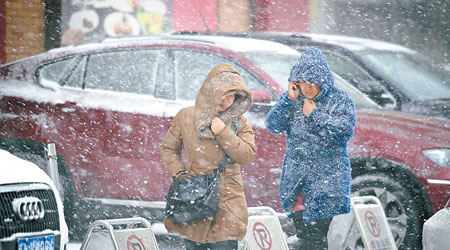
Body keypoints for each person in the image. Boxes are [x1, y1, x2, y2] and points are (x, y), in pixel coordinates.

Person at [265, 48, 356, 249]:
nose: (307, 88)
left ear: (322, 81)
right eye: (302, 82)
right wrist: (288, 100)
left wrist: (314, 115)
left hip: (327, 180)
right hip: (298, 181)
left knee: (316, 237)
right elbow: (273, 125)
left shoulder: (340, 99)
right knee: (304, 237)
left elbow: (342, 132)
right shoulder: (293, 100)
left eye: (311, 83)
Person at [161, 63, 257, 249]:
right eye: (223, 94)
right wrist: (179, 174)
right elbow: (168, 149)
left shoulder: (239, 122)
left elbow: (247, 155)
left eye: (232, 96)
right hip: (194, 202)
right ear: (210, 91)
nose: (226, 100)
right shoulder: (186, 116)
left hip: (227, 205)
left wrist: (223, 132)